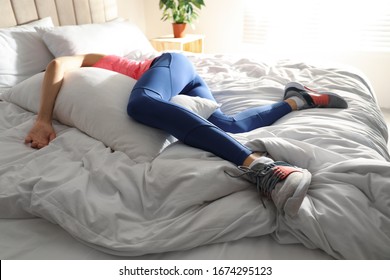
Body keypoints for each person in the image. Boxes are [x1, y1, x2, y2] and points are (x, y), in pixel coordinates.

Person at [25, 52, 348, 216]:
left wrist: (43, 118)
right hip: (184, 81)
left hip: (168, 64)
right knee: (230, 126)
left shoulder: (84, 59)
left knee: (142, 105)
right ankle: (298, 98)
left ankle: (259, 165)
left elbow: (56, 64)